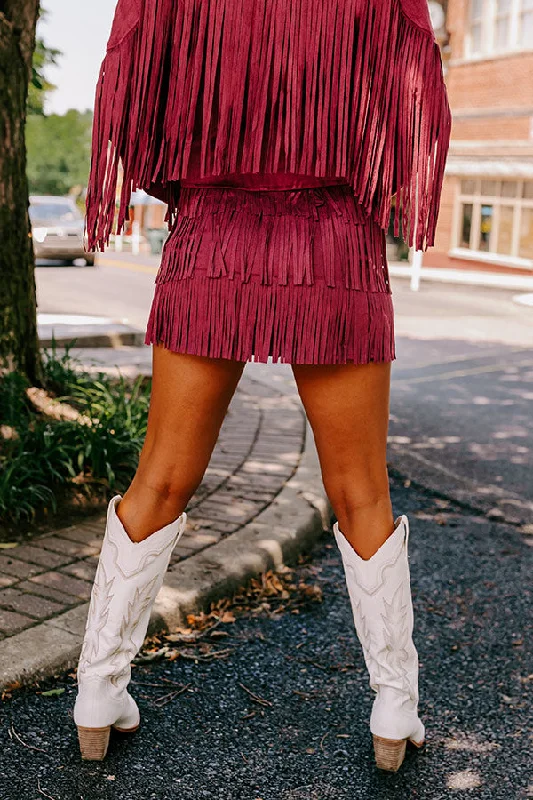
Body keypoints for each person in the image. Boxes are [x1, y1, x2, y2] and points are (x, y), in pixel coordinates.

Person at [74, 0, 451, 771]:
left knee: (160, 479)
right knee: (360, 492)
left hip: (213, 234)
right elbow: (415, 102)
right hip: (335, 243)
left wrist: (197, 181)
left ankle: (97, 690)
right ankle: (393, 708)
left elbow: (130, 78)